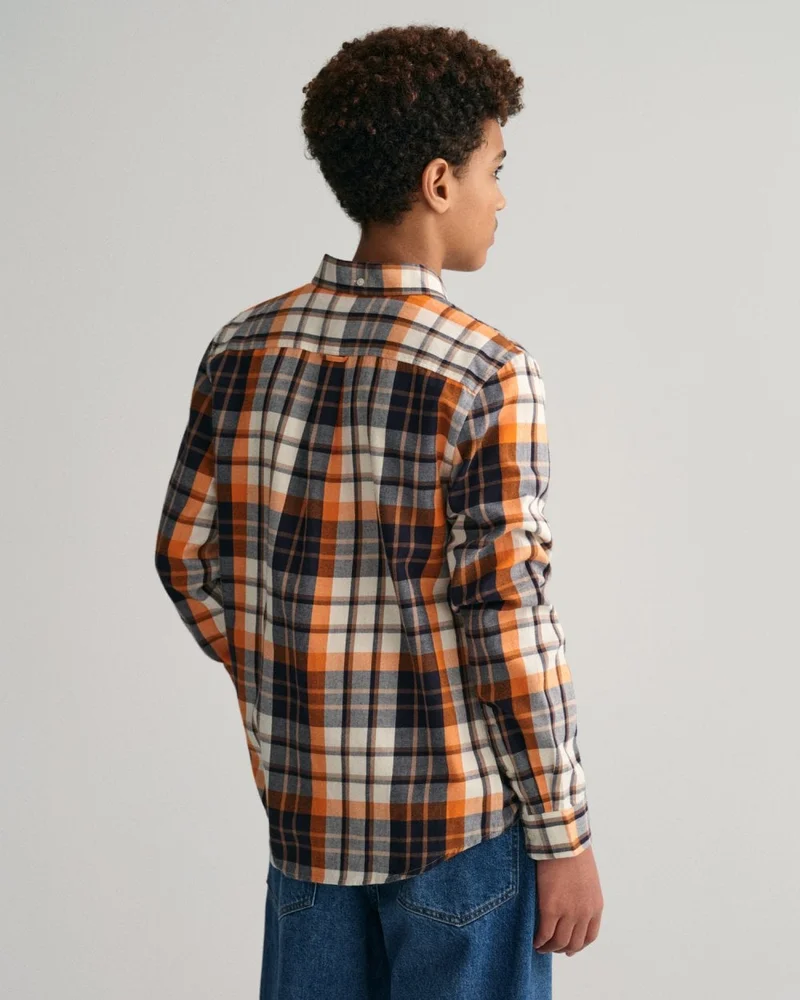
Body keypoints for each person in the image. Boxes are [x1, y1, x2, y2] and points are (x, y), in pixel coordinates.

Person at [154, 22, 603, 999]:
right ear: (439, 182)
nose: (501, 196)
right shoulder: (486, 371)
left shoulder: (242, 348)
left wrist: (296, 676)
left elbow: (185, 557)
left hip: (306, 827)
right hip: (461, 834)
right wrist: (563, 835)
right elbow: (508, 615)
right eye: (494, 168)